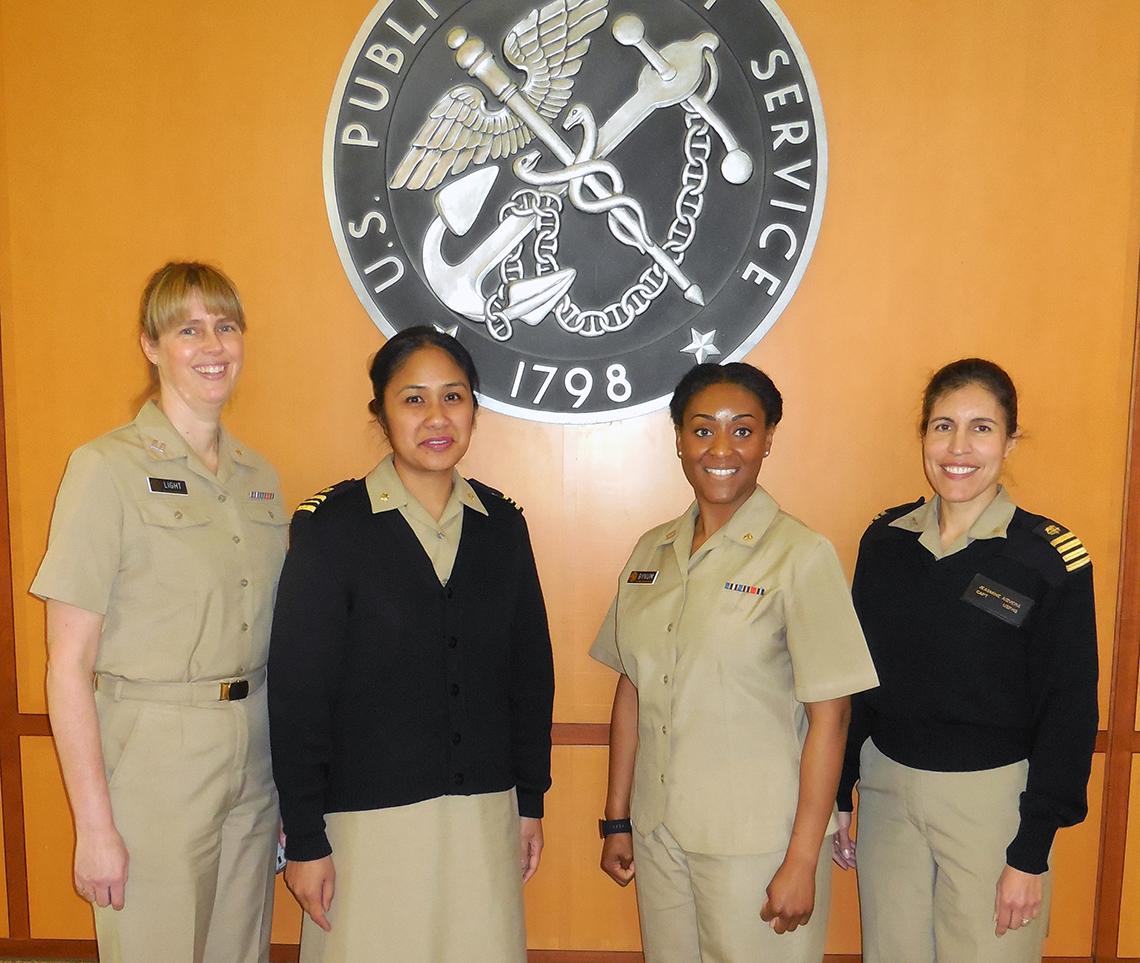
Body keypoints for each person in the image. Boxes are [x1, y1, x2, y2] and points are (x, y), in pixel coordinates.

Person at [268, 326, 554, 963]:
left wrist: (529, 801)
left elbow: (529, 673)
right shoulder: (332, 527)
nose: (436, 417)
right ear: (382, 412)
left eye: (453, 396)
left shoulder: (503, 526)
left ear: (475, 409)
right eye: (413, 399)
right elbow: (298, 693)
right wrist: (306, 838)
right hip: (365, 824)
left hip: (484, 813)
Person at [31, 262, 287, 962]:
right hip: (154, 755)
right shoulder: (105, 468)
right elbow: (68, 664)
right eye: (188, 330)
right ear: (151, 345)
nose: (213, 345)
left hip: (255, 750)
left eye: (225, 326)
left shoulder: (260, 478)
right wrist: (94, 827)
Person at [590, 362, 878, 963]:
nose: (721, 449)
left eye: (743, 430)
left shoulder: (800, 555)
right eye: (702, 430)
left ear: (768, 439)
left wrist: (803, 858)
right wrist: (618, 818)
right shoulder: (650, 551)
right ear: (678, 439)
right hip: (659, 831)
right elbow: (633, 686)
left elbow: (832, 719)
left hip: (759, 843)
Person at [834, 358, 1098, 962]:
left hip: (994, 806)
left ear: (1010, 440)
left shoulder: (1047, 558)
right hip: (888, 792)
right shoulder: (886, 543)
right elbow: (859, 680)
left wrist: (1031, 851)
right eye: (943, 426)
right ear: (923, 436)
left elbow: (1069, 708)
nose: (959, 448)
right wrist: (840, 789)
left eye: (981, 428)